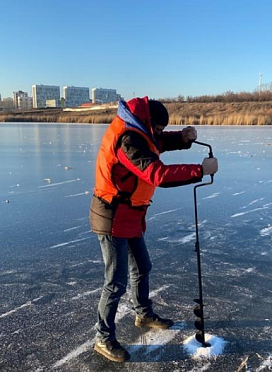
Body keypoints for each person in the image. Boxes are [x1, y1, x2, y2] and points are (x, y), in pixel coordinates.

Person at [89, 96, 218, 362]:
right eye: (157, 128)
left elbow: (155, 142)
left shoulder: (139, 131)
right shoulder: (128, 139)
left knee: (143, 267)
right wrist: (199, 170)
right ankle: (103, 339)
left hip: (131, 215)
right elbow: (156, 174)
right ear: (148, 122)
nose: (158, 134)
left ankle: (143, 314)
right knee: (115, 282)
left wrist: (182, 138)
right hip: (112, 216)